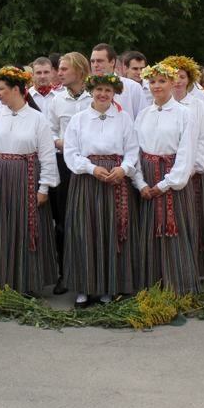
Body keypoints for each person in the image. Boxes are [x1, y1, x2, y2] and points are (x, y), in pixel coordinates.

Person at [0, 66, 59, 295]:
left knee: (26, 229)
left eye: (1, 89)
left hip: (26, 178)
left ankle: (28, 283)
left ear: (17, 90)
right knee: (1, 228)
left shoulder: (38, 119)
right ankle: (3, 281)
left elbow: (47, 155)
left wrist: (44, 187)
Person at [63, 73, 139, 305]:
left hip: (115, 180)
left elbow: (133, 149)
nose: (103, 94)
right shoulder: (79, 119)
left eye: (107, 90)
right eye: (99, 90)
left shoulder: (124, 118)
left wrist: (124, 169)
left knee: (112, 232)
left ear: (114, 93)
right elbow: (70, 151)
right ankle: (85, 287)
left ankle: (108, 286)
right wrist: (90, 168)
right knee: (85, 231)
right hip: (87, 180)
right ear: (91, 92)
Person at [131, 62, 198, 294]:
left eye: (162, 81)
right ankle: (151, 285)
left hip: (171, 180)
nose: (156, 86)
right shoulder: (142, 115)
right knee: (149, 231)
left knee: (173, 230)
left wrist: (166, 184)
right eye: (152, 82)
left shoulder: (185, 114)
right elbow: (135, 150)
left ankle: (178, 286)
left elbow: (186, 152)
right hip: (147, 178)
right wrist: (139, 182)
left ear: (171, 83)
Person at [163, 55, 204, 279]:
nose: (177, 81)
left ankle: (197, 267)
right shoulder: (158, 104)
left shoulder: (198, 104)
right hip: (167, 171)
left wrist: (196, 166)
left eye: (182, 77)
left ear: (189, 79)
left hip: (193, 172)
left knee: (195, 217)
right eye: (173, 77)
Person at [45, 51, 92, 293]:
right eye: (59, 69)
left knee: (90, 219)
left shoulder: (96, 96)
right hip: (64, 165)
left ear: (79, 71)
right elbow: (49, 130)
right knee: (63, 220)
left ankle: (92, 272)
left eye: (63, 69)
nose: (59, 73)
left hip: (91, 164)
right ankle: (64, 273)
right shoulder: (56, 100)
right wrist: (59, 142)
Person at [90, 43, 144, 118]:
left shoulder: (132, 87)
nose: (95, 65)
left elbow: (141, 118)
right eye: (92, 61)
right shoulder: (88, 88)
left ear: (112, 62)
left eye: (100, 61)